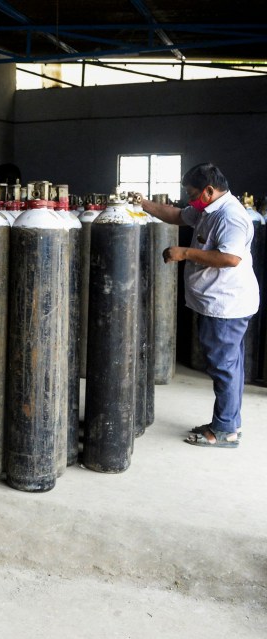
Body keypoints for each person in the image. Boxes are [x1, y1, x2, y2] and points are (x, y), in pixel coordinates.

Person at [136, 163, 259, 448]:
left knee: (224, 367)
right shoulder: (207, 208)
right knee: (230, 366)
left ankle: (226, 430)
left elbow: (230, 258)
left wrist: (184, 253)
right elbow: (178, 215)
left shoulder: (231, 216)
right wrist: (143, 204)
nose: (189, 200)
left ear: (209, 190)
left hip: (226, 305)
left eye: (192, 194)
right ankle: (228, 421)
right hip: (217, 302)